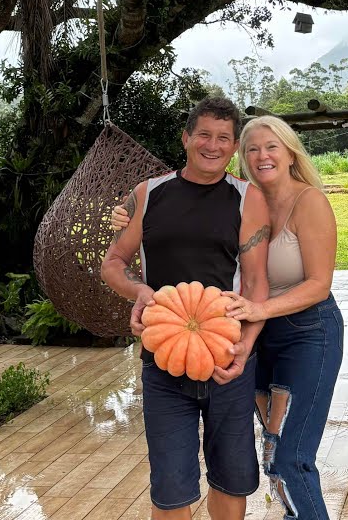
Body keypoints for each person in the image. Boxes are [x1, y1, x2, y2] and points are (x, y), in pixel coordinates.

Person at [113, 114, 343, 520]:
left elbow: (319, 284)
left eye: (271, 147)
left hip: (304, 331)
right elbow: (152, 234)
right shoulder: (249, 198)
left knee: (289, 457)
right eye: (253, 149)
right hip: (246, 335)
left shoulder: (306, 201)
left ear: (291, 153)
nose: (262, 156)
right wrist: (130, 215)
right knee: (270, 451)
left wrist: (257, 314)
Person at [101, 96, 272, 520]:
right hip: (163, 357)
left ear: (234, 146)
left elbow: (256, 284)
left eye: (223, 138)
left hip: (227, 356)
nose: (213, 146)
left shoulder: (247, 198)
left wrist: (246, 347)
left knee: (231, 479)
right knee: (171, 487)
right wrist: (139, 291)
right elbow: (113, 262)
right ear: (185, 138)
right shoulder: (148, 194)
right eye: (204, 135)